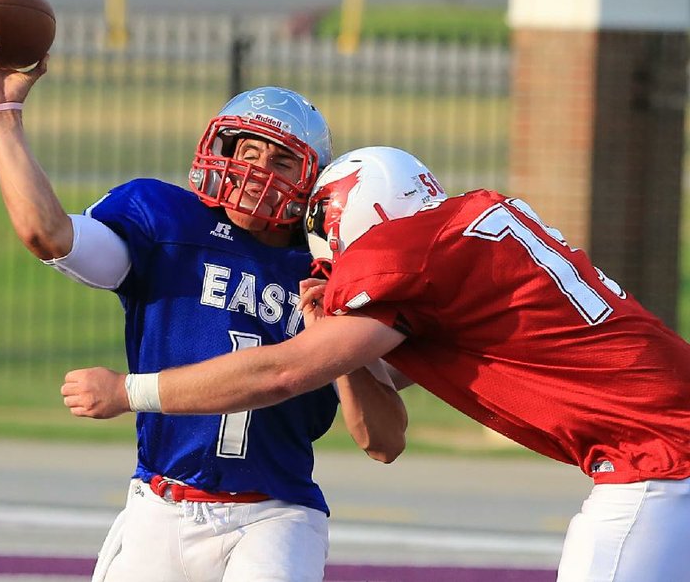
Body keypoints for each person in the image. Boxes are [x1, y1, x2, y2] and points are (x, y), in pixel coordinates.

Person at [63, 145, 690, 581]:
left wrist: (129, 391)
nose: (328, 262)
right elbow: (381, 422)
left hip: (657, 464)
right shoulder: (477, 226)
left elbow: (281, 372)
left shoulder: (401, 255)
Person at [0, 42, 408, 582]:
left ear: (310, 178)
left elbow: (384, 433)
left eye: (281, 159)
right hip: (161, 503)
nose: (258, 171)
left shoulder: (330, 268)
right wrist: (3, 114)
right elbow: (48, 234)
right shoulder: (167, 221)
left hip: (277, 512)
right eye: (248, 152)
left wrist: (343, 337)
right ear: (220, 150)